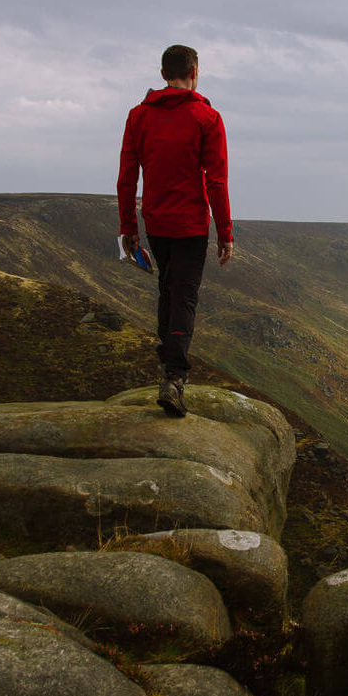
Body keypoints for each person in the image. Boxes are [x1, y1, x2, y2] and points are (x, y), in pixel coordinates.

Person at [116, 44, 234, 418]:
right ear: (195, 70)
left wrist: (128, 228)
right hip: (191, 224)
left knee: (167, 290)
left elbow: (126, 179)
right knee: (184, 296)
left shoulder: (138, 117)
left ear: (163, 72)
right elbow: (216, 181)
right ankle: (175, 376)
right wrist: (226, 231)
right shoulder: (207, 117)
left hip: (156, 221)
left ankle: (168, 355)